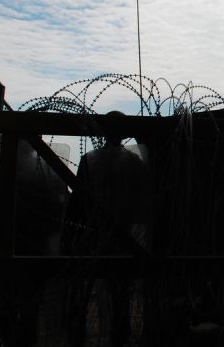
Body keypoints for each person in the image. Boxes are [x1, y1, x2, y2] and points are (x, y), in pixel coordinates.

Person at [65, 110, 151, 346]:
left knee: (82, 297)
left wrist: (72, 238)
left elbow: (78, 204)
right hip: (127, 241)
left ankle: (79, 337)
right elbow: (143, 205)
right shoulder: (136, 163)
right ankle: (119, 337)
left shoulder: (90, 159)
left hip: (93, 240)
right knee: (120, 297)